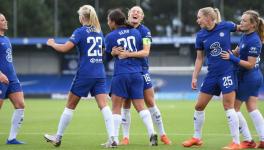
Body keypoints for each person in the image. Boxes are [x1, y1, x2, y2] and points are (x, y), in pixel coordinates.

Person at [43, 5, 116, 148]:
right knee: (104, 106)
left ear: (82, 17)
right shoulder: (98, 32)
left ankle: (57, 137)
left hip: (85, 73)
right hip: (99, 73)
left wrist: (52, 43)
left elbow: (64, 48)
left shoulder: (80, 31)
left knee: (70, 106)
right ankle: (113, 138)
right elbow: (102, 54)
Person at [181, 7, 241, 150]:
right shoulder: (200, 35)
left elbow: (244, 29)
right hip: (212, 75)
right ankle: (197, 138)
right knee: (199, 106)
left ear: (208, 17)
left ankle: (236, 142)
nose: (197, 20)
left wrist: (240, 49)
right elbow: (199, 58)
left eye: (199, 17)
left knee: (228, 106)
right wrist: (194, 77)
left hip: (227, 72)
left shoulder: (225, 26)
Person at [111, 6, 171, 145]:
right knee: (126, 104)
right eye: (133, 11)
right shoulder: (121, 29)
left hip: (142, 70)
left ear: (142, 17)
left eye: (139, 12)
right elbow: (113, 49)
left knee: (150, 102)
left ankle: (162, 134)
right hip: (125, 71)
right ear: (128, 15)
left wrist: (127, 54)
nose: (135, 13)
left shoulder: (145, 31)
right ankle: (125, 137)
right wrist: (113, 52)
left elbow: (145, 52)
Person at [104, 8, 158, 146]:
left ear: (113, 22)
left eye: (108, 20)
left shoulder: (110, 37)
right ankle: (152, 133)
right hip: (137, 73)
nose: (108, 23)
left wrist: (111, 52)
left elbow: (107, 56)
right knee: (141, 106)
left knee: (116, 107)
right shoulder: (135, 32)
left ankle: (114, 139)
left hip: (121, 73)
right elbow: (141, 49)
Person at [221, 10, 264, 149]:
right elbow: (239, 51)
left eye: (245, 21)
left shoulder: (254, 40)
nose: (241, 23)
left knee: (233, 108)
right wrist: (233, 53)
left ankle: (247, 140)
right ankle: (263, 140)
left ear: (252, 25)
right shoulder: (246, 36)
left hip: (248, 77)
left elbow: (250, 65)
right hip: (253, 77)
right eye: (241, 20)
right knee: (252, 108)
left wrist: (232, 58)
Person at [0, 13, 26, 144]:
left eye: (5, 19)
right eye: (2, 20)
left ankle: (11, 138)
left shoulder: (6, 39)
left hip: (12, 78)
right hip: (0, 78)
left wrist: (12, 75)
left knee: (20, 105)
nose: (5, 21)